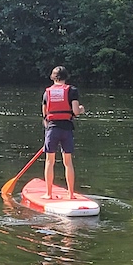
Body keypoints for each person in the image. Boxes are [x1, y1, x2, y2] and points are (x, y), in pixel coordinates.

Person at [42, 66, 85, 199]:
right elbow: (76, 111)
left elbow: (44, 115)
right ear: (66, 77)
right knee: (68, 162)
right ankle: (71, 194)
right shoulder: (72, 91)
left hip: (52, 129)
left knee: (49, 162)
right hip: (67, 129)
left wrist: (48, 130)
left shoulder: (47, 93)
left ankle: (48, 194)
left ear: (53, 77)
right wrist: (82, 109)